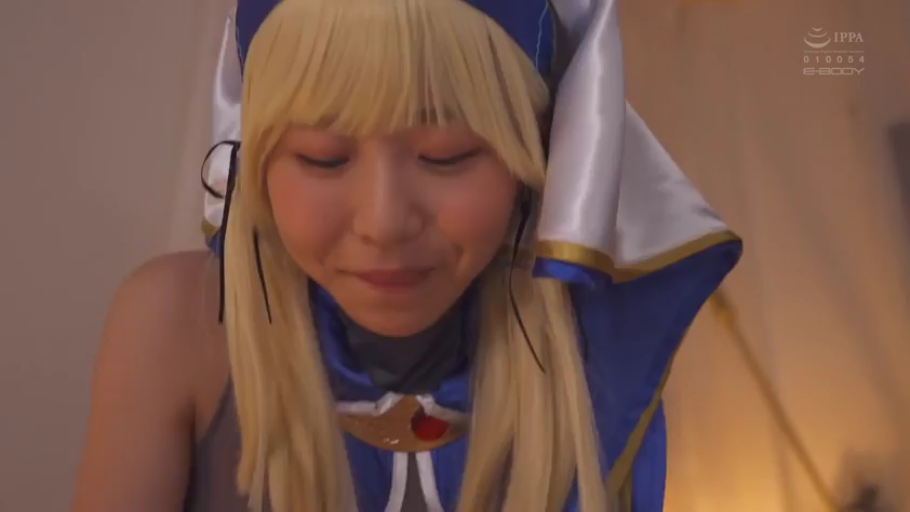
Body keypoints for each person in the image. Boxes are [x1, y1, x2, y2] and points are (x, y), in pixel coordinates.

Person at [71, 0, 741, 511]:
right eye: (323, 158)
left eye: (446, 156)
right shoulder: (179, 325)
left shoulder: (596, 356)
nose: (385, 222)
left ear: (538, 158)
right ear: (255, 157)